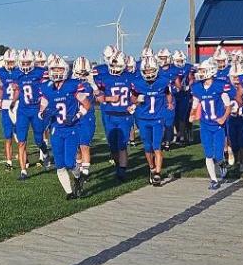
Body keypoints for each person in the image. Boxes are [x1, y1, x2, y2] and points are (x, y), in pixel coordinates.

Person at [39, 56, 90, 200]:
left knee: (69, 162)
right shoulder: (46, 87)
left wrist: (77, 116)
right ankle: (69, 192)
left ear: (66, 70)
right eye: (54, 69)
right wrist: (42, 113)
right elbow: (43, 105)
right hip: (56, 129)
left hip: (71, 128)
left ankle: (78, 177)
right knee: (60, 164)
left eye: (59, 69)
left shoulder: (72, 85)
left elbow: (87, 104)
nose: (56, 72)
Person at [132, 55, 174, 185]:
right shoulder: (138, 83)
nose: (149, 73)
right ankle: (151, 168)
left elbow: (168, 94)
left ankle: (157, 173)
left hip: (157, 118)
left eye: (151, 70)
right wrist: (137, 100)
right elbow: (133, 99)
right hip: (143, 119)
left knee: (157, 146)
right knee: (147, 147)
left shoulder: (163, 81)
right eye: (146, 71)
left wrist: (169, 103)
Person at [191, 59, 232, 190]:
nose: (201, 73)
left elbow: (228, 106)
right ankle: (213, 180)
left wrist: (223, 118)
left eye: (203, 71)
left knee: (219, 155)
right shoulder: (197, 87)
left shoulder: (219, 85)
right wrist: (192, 114)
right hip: (205, 125)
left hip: (218, 125)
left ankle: (221, 164)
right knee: (208, 154)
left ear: (210, 71)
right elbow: (195, 103)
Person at [95, 53, 134, 182]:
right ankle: (118, 167)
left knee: (122, 145)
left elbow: (137, 95)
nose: (115, 67)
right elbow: (99, 98)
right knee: (113, 146)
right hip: (109, 114)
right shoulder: (104, 78)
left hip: (124, 115)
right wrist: (109, 98)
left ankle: (121, 172)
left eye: (117, 65)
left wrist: (134, 104)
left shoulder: (130, 77)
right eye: (113, 64)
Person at [12, 50, 51, 180]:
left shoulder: (40, 72)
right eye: (23, 62)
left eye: (28, 62)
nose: (25, 64)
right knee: (21, 141)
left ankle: (45, 151)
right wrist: (13, 101)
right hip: (23, 110)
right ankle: (23, 171)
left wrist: (43, 105)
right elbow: (17, 90)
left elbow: (47, 89)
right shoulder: (17, 73)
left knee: (38, 139)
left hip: (36, 109)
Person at [72, 56, 97, 180]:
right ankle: (79, 167)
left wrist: (94, 84)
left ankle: (85, 172)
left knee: (84, 145)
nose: (82, 75)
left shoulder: (91, 84)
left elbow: (100, 96)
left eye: (84, 72)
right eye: (80, 72)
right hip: (74, 119)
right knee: (76, 147)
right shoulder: (71, 84)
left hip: (87, 118)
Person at [0, 51, 20, 169]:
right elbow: (0, 88)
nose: (9, 64)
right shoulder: (0, 72)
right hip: (6, 105)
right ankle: (9, 161)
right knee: (7, 135)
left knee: (19, 134)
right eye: (8, 62)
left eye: (11, 61)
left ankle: (23, 156)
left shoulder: (19, 71)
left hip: (17, 106)